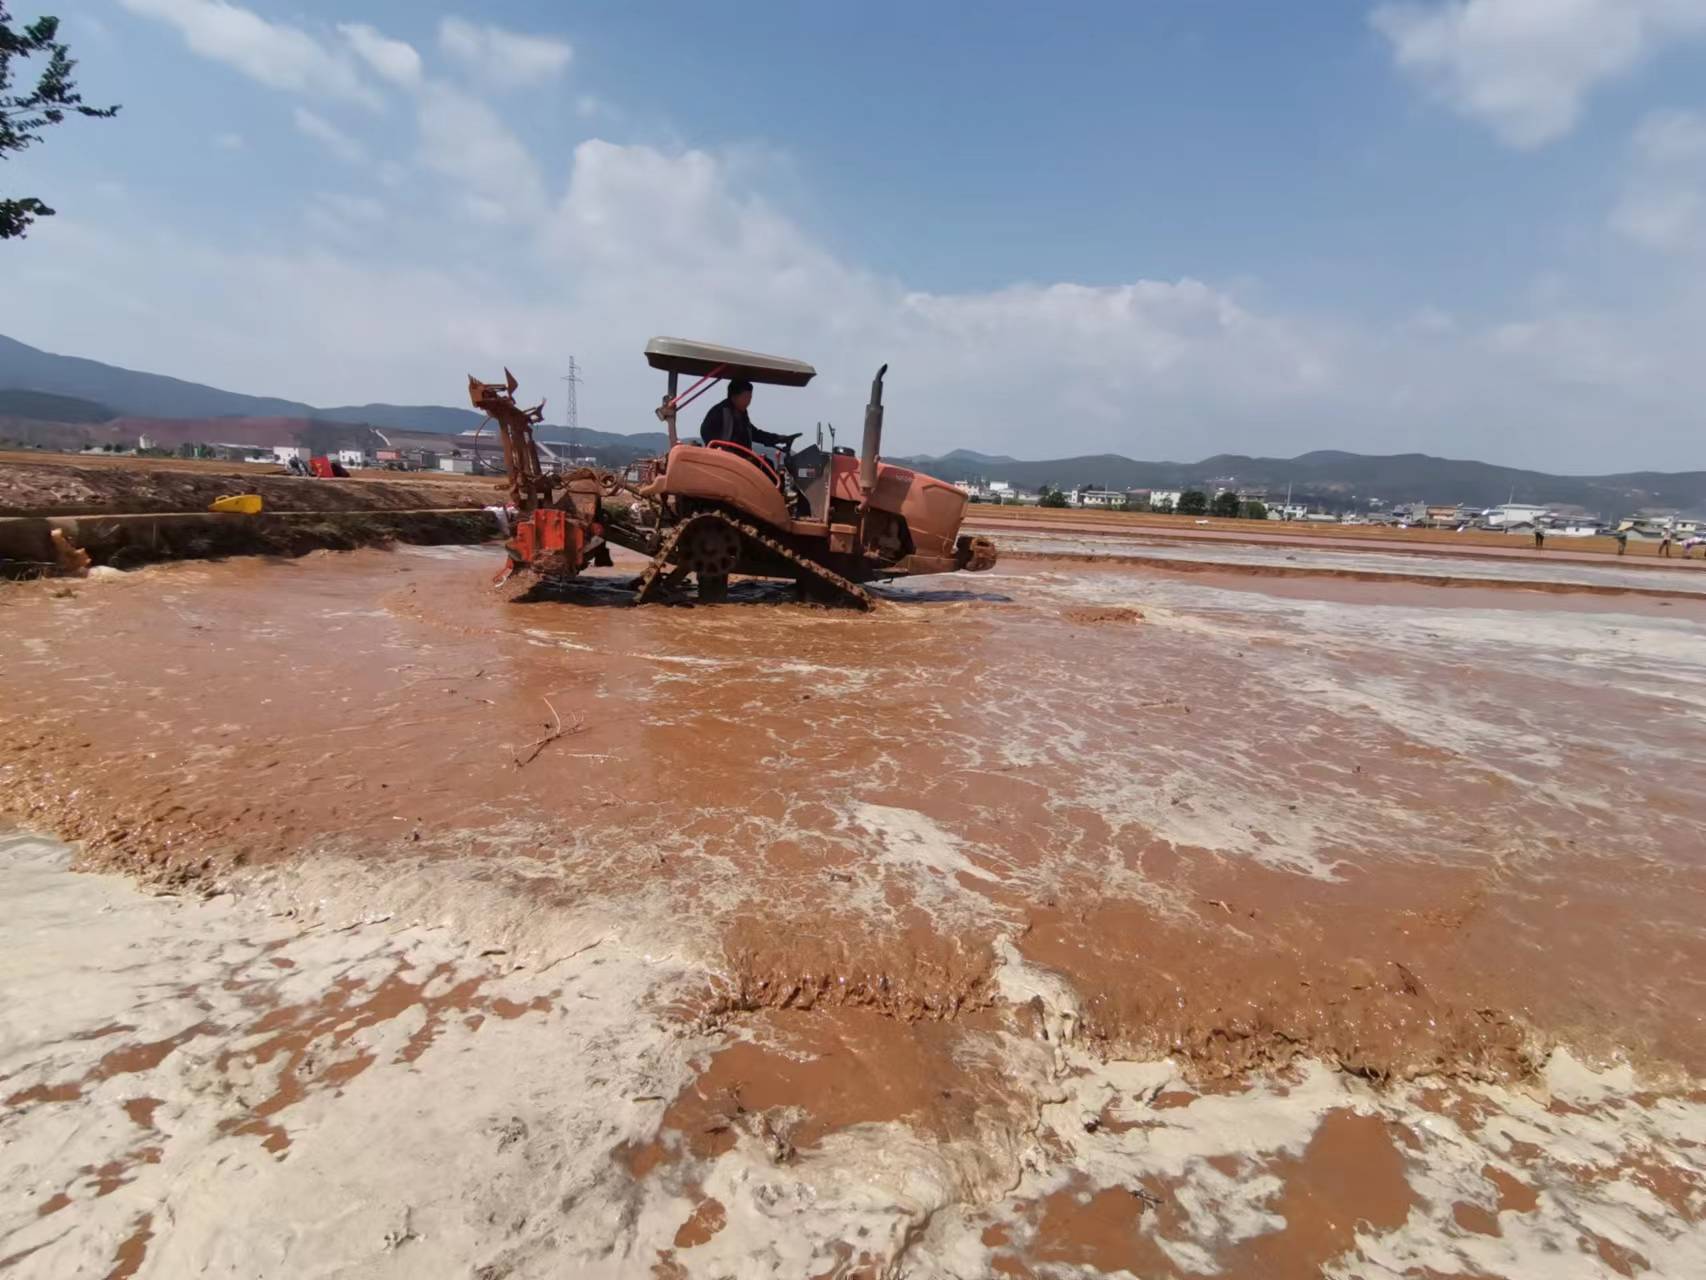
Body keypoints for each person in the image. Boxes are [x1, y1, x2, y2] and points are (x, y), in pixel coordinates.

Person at [699, 379, 799, 455]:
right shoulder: (721, 411)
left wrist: (779, 438)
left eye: (750, 397)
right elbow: (705, 429)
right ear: (734, 397)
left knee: (768, 466)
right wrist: (717, 448)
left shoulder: (742, 416)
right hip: (727, 458)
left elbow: (756, 434)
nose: (749, 401)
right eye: (745, 397)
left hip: (742, 457)